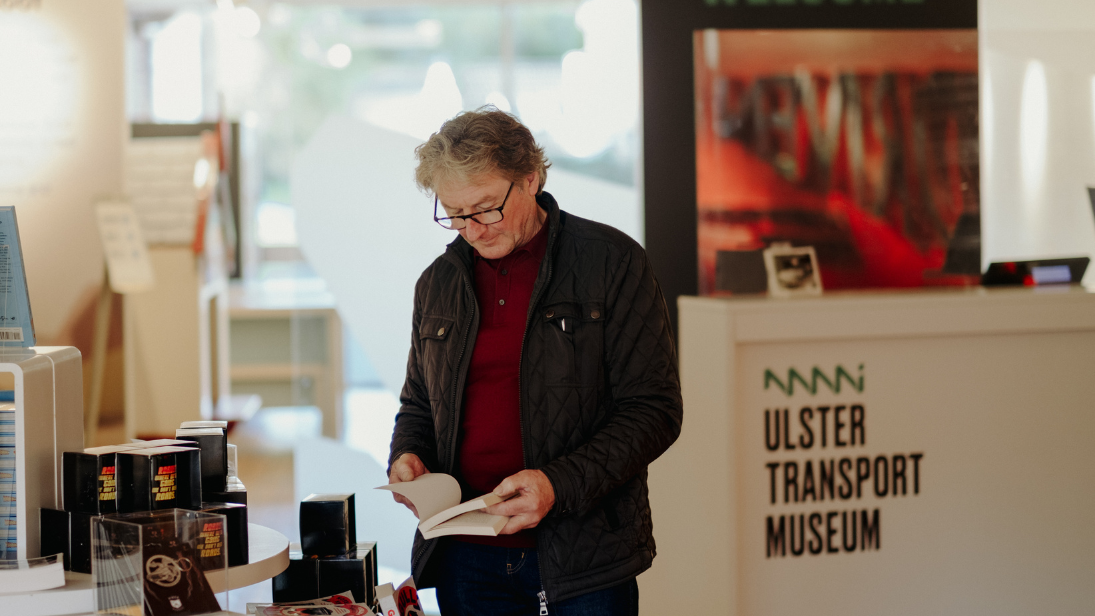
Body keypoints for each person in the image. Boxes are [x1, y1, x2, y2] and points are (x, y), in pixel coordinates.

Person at [387, 107, 682, 616]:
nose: (471, 230)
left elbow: (654, 410)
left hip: (583, 560)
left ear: (531, 178)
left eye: (484, 208)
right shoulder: (437, 283)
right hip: (466, 557)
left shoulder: (612, 262)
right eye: (454, 214)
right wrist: (408, 454)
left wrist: (555, 486)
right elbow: (418, 403)